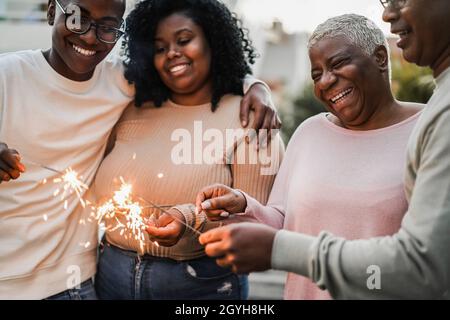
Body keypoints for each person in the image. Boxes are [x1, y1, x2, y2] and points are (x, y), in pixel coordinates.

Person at [0, 0, 279, 300]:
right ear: (53, 11)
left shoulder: (123, 85)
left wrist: (256, 85)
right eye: (77, 18)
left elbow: (257, 221)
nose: (90, 36)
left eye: (107, 27)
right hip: (66, 278)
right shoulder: (10, 76)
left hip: (79, 284)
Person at [199, 0, 450, 299]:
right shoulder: (309, 132)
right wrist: (242, 205)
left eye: (338, 64)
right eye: (317, 74)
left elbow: (424, 259)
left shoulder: (430, 125)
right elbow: (284, 219)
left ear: (381, 57)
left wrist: (280, 249)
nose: (326, 81)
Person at [92, 0, 284, 300]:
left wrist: (190, 218)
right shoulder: (130, 109)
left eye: (184, 40)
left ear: (213, 41)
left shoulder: (252, 119)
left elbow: (255, 222)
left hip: (200, 285)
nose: (171, 53)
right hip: (110, 275)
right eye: (159, 48)